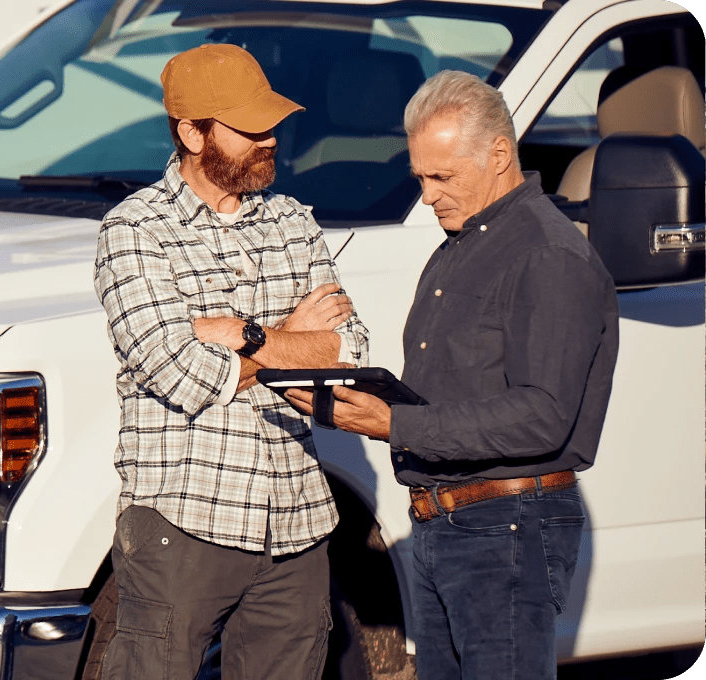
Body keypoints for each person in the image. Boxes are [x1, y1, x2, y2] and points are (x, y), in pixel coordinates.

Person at [295, 70, 619, 680]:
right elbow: (458, 393)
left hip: (506, 529)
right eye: (420, 176)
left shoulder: (545, 255)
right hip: (445, 521)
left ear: (500, 156)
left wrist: (398, 421)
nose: (427, 195)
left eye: (442, 176)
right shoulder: (463, 244)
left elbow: (542, 415)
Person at [93, 43, 369, 680]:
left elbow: (349, 351)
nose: (270, 139)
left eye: (272, 123)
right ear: (191, 133)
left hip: (297, 520)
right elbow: (178, 373)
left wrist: (236, 335)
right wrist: (290, 337)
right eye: (250, 128)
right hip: (183, 519)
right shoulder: (136, 229)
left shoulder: (294, 223)